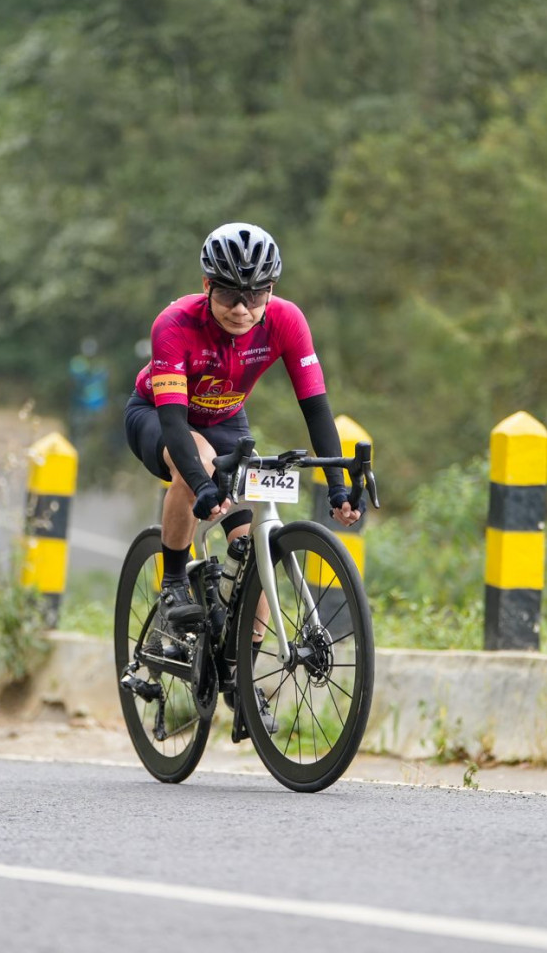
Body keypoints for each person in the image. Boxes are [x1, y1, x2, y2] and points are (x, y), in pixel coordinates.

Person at [123, 222, 363, 730]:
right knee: (196, 463)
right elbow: (176, 426)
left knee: (254, 547)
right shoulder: (174, 324)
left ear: (271, 290)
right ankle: (173, 581)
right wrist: (202, 483)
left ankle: (239, 676)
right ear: (206, 285)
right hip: (160, 414)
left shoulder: (287, 320)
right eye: (230, 293)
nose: (242, 308)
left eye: (256, 295)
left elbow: (316, 408)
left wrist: (339, 486)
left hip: (228, 419)